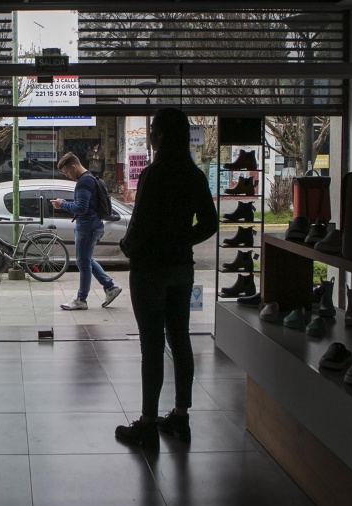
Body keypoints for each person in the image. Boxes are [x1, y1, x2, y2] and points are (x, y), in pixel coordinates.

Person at [114, 108, 218, 449]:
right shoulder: (194, 174)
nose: (151, 137)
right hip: (181, 269)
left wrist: (127, 247)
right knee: (180, 339)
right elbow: (209, 224)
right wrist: (181, 239)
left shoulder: (154, 173)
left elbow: (140, 222)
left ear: (160, 136)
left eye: (153, 131)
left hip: (149, 270)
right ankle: (180, 415)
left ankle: (147, 422)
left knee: (152, 344)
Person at [50, 152, 122, 311]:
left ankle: (81, 299)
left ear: (73, 166)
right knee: (86, 260)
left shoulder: (83, 182)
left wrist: (62, 204)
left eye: (67, 172)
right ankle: (110, 287)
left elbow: (80, 208)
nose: (67, 175)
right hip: (93, 224)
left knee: (83, 263)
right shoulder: (91, 178)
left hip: (87, 226)